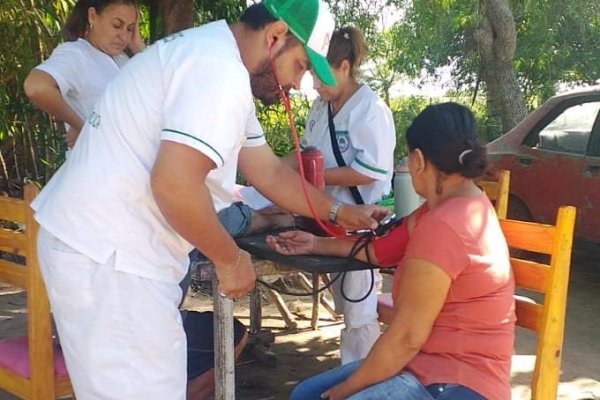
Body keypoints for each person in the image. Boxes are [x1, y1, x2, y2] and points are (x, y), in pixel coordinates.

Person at [31, 0, 388, 398]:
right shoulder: (217, 71)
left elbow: (267, 170)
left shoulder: (214, 56)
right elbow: (174, 185)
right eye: (301, 66)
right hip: (111, 257)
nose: (295, 83)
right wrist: (230, 259)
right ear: (276, 36)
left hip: (110, 251)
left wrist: (340, 210)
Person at [267, 103, 515, 400]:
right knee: (307, 393)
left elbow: (406, 339)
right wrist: (316, 243)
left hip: (455, 381)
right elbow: (381, 250)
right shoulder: (452, 207)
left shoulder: (445, 226)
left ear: (419, 160)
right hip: (426, 365)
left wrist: (344, 391)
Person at [290, 26, 395, 364]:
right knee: (348, 306)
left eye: (323, 76)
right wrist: (268, 170)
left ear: (345, 67)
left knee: (358, 310)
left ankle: (360, 380)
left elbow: (370, 171)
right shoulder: (321, 109)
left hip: (358, 223)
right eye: (311, 76)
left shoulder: (369, 109)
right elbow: (303, 153)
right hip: (324, 220)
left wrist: (315, 178)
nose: (316, 86)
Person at [23, 0, 145, 150]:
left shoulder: (122, 58)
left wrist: (137, 46)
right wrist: (81, 126)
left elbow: (161, 88)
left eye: (130, 29)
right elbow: (36, 86)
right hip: (99, 167)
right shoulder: (75, 54)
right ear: (92, 16)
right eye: (116, 25)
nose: (124, 36)